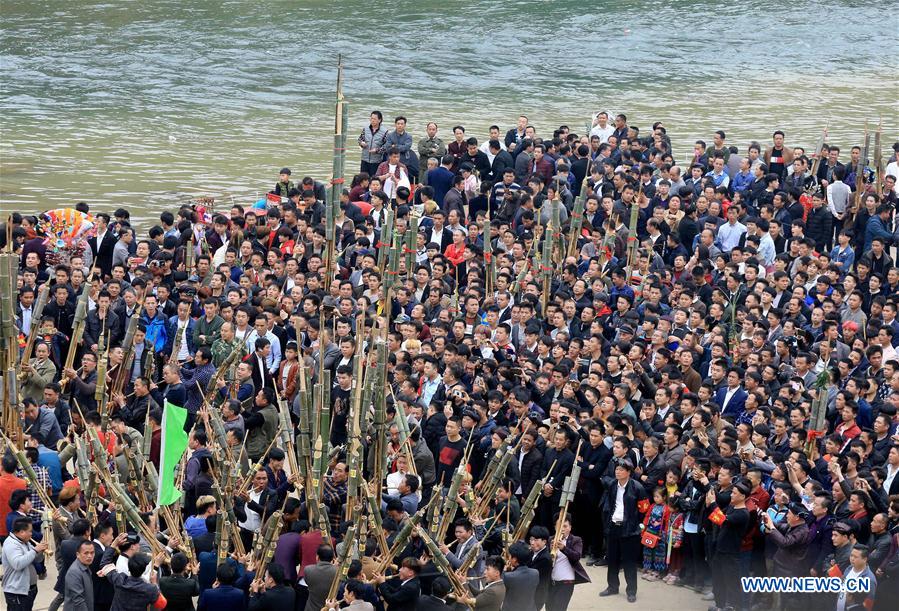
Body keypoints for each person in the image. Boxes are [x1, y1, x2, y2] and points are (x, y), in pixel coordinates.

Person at [599, 458, 647, 603]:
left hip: (630, 530)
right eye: (617, 469)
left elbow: (644, 510)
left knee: (629, 562)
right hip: (614, 526)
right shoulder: (613, 485)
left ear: (628, 472)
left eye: (621, 470)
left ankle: (631, 591)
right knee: (612, 559)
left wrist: (637, 526)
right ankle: (612, 586)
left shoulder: (638, 488)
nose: (617, 472)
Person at [2, 517, 47, 611]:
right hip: (17, 592)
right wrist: (35, 550)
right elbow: (17, 564)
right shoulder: (11, 544)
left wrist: (41, 552)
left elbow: (36, 559)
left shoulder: (24, 542)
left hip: (28, 590)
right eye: (30, 531)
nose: (32, 534)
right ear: (22, 532)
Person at [63, 539, 96, 611]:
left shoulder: (85, 566)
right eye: (86, 553)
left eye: (92, 553)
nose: (90, 556)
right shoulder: (74, 572)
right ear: (78, 554)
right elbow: (79, 601)